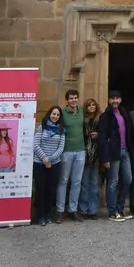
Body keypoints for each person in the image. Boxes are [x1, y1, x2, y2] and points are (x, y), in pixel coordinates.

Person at [98, 89, 132, 221]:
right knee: (113, 182)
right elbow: (102, 138)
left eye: (117, 98)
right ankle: (112, 211)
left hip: (125, 151)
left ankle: (120, 208)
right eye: (112, 99)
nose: (115, 101)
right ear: (109, 100)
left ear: (120, 100)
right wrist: (105, 158)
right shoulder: (105, 116)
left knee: (128, 179)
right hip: (113, 153)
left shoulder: (124, 113)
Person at [54, 89, 86, 223]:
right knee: (63, 181)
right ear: (67, 100)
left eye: (75, 98)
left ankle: (73, 210)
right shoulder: (62, 113)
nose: (73, 100)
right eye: (71, 98)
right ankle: (60, 211)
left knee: (77, 182)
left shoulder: (81, 111)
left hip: (80, 151)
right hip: (66, 151)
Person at [33, 106, 65, 227]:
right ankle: (40, 216)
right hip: (39, 163)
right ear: (49, 114)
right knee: (41, 190)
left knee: (51, 190)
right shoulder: (42, 127)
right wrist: (44, 158)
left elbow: (61, 148)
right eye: (54, 114)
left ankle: (48, 215)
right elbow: (36, 144)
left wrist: (50, 159)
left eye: (57, 115)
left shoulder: (61, 130)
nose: (55, 116)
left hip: (54, 163)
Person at [79, 98, 102, 220]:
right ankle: (83, 209)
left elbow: (105, 134)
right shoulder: (82, 120)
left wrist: (98, 135)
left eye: (93, 104)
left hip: (96, 154)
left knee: (94, 184)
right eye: (89, 105)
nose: (92, 107)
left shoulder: (100, 119)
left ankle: (93, 210)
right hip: (84, 153)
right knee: (84, 183)